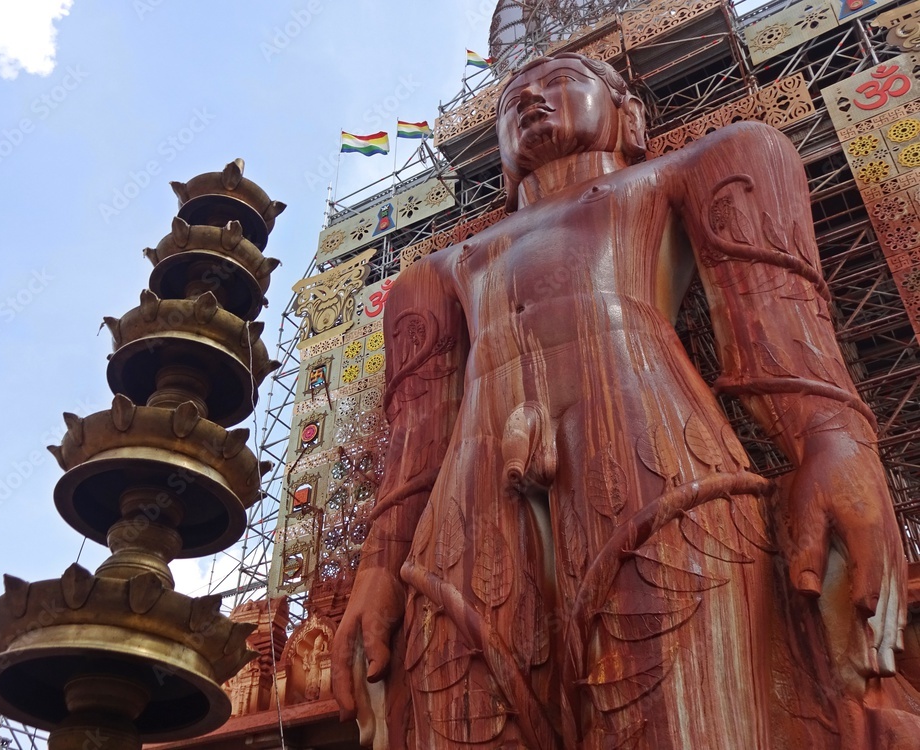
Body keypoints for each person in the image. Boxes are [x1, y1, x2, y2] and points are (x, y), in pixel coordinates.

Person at [332, 53, 916, 749]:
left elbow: (778, 332)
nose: (532, 99)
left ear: (628, 114)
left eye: (560, 82)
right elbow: (414, 448)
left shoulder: (703, 164)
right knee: (453, 717)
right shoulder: (435, 273)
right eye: (513, 98)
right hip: (469, 507)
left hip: (655, 459)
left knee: (694, 712)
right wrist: (376, 573)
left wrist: (835, 442)